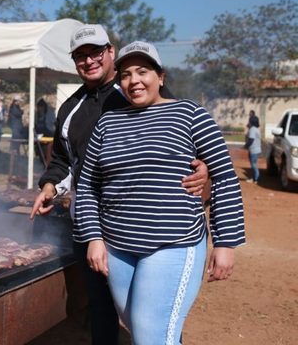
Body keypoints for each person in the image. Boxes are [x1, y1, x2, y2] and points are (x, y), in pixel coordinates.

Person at [30, 25, 209, 345]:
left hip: (144, 225)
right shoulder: (69, 108)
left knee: (156, 314)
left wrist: (205, 169)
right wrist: (49, 186)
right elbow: (61, 159)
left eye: (95, 52)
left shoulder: (135, 90)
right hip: (89, 224)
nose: (89, 61)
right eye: (80, 56)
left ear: (110, 52)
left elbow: (181, 137)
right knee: (100, 305)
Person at [75, 41, 246, 344]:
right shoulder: (108, 123)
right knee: (146, 331)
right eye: (126, 75)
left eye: (143, 71)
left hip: (172, 244)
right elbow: (88, 184)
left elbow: (224, 176)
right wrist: (94, 237)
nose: (134, 81)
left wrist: (226, 242)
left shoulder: (189, 113)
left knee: (150, 336)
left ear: (161, 77)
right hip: (118, 248)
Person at [245, 115, 261, 183]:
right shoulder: (255, 128)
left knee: (253, 165)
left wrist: (245, 146)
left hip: (254, 150)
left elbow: (251, 139)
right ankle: (254, 178)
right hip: (256, 149)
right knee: (254, 164)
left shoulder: (252, 129)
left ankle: (255, 179)